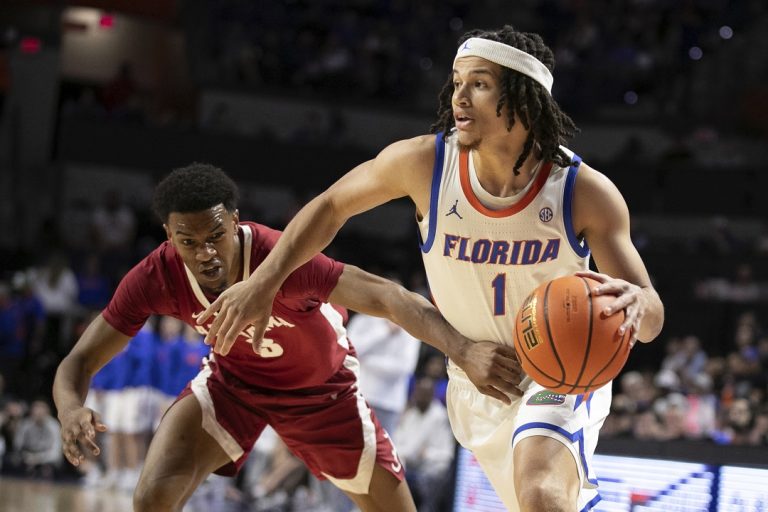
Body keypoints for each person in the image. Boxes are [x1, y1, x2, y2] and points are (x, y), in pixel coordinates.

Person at [200, 25, 665, 511]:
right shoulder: (425, 164)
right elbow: (332, 206)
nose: (459, 96)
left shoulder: (583, 192)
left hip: (560, 374)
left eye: (480, 83)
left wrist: (637, 305)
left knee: (541, 494)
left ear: (525, 100)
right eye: (457, 81)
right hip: (474, 379)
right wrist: (263, 281)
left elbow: (651, 321)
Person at [53, 164, 521, 512]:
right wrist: (71, 407)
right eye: (188, 241)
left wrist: (462, 348)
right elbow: (79, 361)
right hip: (232, 386)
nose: (205, 253)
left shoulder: (282, 257)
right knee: (152, 495)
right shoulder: (155, 276)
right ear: (168, 236)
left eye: (215, 235)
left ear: (235, 220)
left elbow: (388, 297)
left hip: (323, 394)